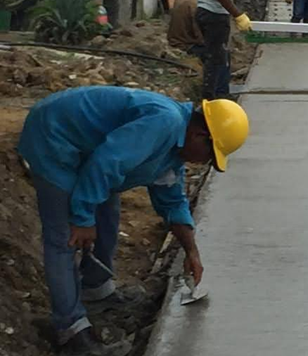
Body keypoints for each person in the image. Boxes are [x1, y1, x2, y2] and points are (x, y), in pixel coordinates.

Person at [17, 86, 249, 355]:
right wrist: (82, 218)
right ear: (199, 136)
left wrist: (191, 252)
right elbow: (106, 163)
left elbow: (172, 201)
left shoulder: (175, 150)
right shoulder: (164, 123)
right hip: (53, 135)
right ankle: (71, 331)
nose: (204, 162)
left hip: (87, 146)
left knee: (107, 213)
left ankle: (96, 289)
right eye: (210, 155)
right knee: (64, 238)